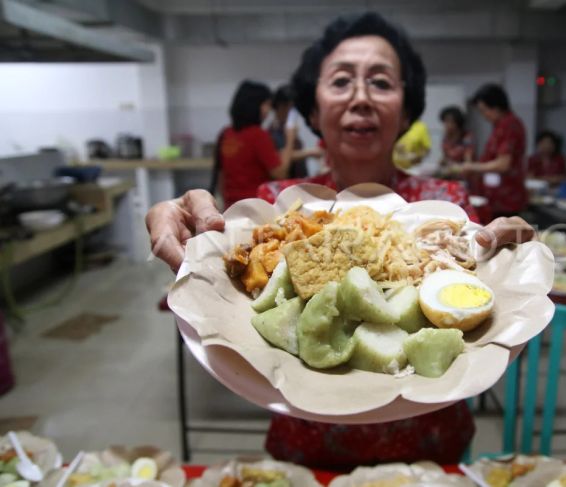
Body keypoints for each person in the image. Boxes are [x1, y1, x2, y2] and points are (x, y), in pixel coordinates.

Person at [146, 12, 535, 469]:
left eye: (382, 82)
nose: (361, 97)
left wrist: (519, 257)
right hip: (304, 440)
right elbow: (226, 293)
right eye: (341, 81)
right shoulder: (276, 205)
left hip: (430, 442)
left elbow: (483, 286)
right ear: (312, 108)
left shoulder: (444, 202)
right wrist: (196, 244)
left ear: (408, 109)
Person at [210, 80, 296, 209]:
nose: (268, 110)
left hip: (231, 207)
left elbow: (221, 176)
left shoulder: (226, 134)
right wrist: (290, 138)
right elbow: (280, 173)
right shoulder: (258, 135)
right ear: (254, 105)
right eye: (266, 104)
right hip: (257, 208)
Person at [450, 84, 528, 216]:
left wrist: (471, 166)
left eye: (484, 110)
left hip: (506, 197)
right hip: (496, 195)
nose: (484, 115)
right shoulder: (500, 125)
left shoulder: (509, 124)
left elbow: (503, 164)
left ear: (496, 107)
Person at [268, 84, 324, 178]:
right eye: (291, 107)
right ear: (281, 106)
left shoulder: (287, 128)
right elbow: (279, 157)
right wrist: (310, 152)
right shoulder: (272, 132)